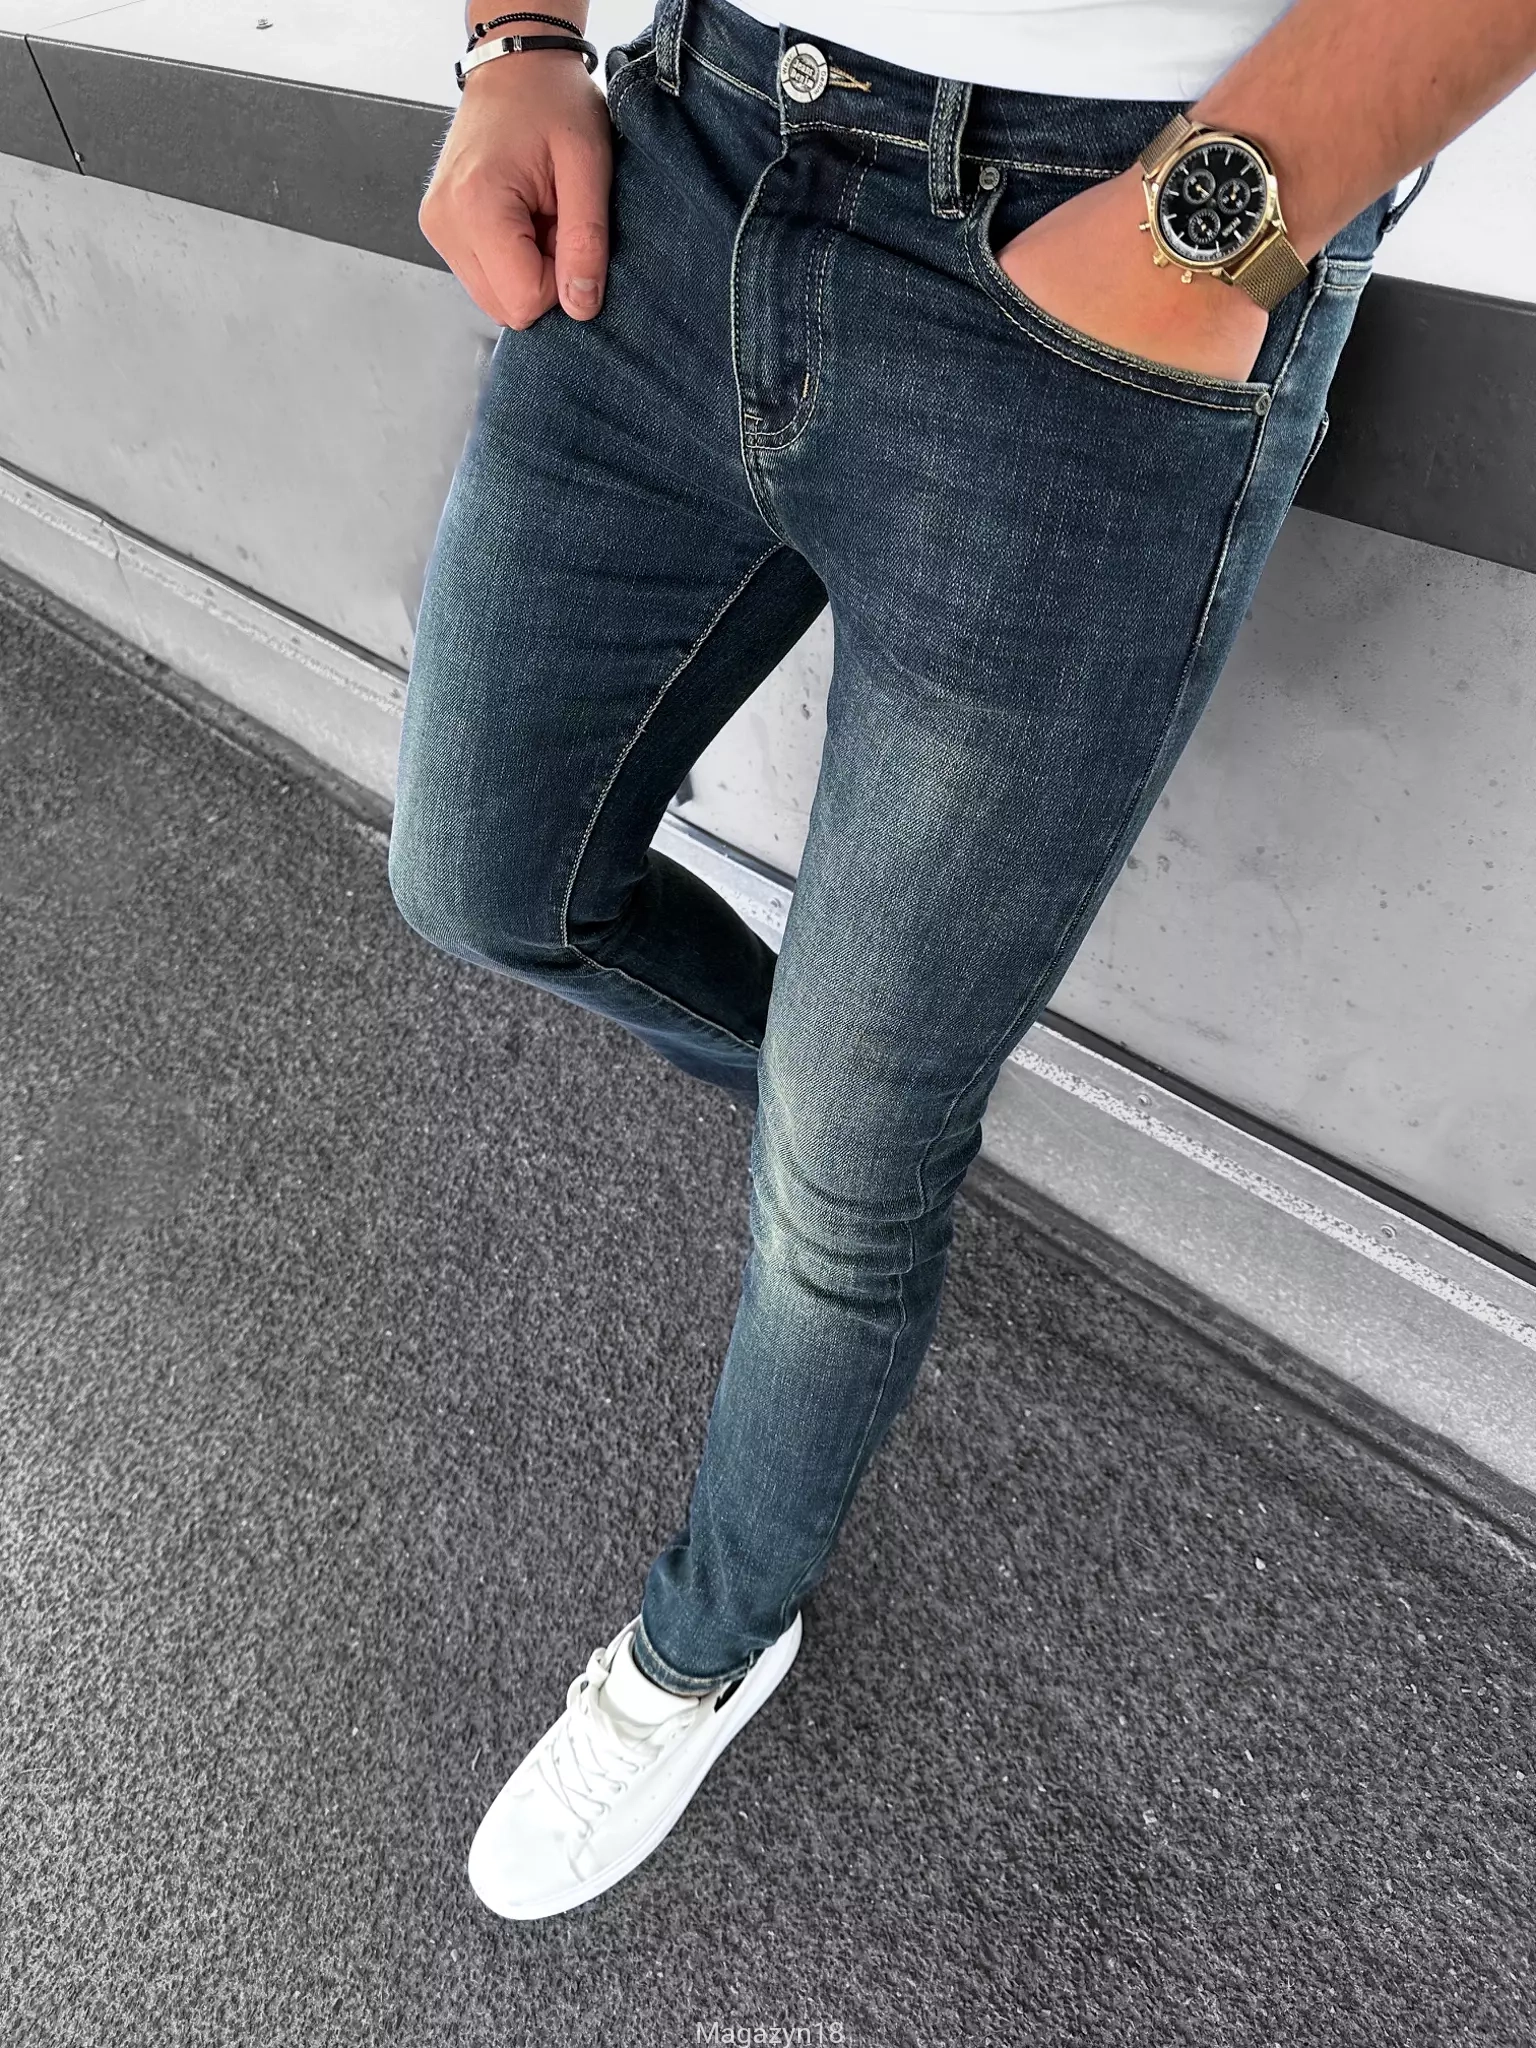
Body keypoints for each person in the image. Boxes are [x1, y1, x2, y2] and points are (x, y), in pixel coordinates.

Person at [388, 0, 1536, 1920]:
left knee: (846, 1192)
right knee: (481, 878)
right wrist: (518, 38)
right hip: (693, 153)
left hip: (1107, 237)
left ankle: (707, 1642)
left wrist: (1200, 229)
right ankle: (837, 1120)